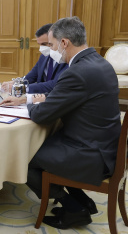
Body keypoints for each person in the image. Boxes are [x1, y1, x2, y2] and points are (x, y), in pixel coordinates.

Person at [21, 17, 121, 229]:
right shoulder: (101, 63)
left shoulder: (77, 72)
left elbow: (41, 115)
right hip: (106, 145)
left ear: (64, 43)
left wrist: (26, 106)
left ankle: (74, 209)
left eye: (52, 44)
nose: (52, 49)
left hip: (90, 152)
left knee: (24, 155)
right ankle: (84, 201)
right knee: (47, 144)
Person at [1, 24, 69, 105]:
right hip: (38, 101)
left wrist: (22, 88)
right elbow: (31, 76)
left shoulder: (66, 59)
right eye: (39, 44)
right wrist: (15, 83)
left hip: (54, 101)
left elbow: (53, 85)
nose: (41, 48)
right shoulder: (44, 56)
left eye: (45, 44)